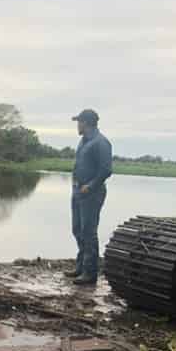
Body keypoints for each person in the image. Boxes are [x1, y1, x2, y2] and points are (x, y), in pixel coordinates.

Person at [66, 108, 112, 286]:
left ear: (85, 123)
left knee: (88, 232)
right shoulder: (83, 141)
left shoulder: (101, 143)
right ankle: (80, 267)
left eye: (79, 122)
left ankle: (90, 273)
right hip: (77, 191)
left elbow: (106, 170)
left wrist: (90, 186)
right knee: (77, 229)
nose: (77, 125)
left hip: (92, 193)